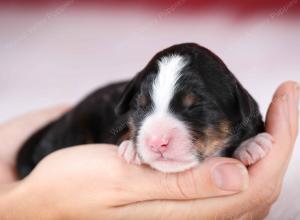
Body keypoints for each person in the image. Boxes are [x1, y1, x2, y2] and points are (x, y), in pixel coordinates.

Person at [0, 81, 298, 220]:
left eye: (194, 110)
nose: (158, 141)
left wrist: (245, 142)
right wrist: (20, 202)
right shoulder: (112, 115)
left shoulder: (233, 114)